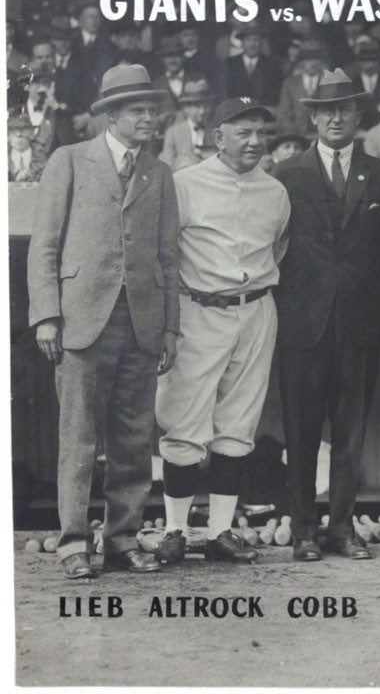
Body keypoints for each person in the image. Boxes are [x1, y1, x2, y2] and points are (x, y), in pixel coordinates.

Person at [27, 64, 179, 578]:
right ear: (110, 115)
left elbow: (168, 257)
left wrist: (169, 328)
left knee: (134, 439)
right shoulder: (70, 161)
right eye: (137, 110)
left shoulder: (158, 173)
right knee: (79, 436)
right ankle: (74, 543)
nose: (149, 118)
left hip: (142, 322)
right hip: (80, 321)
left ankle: (122, 539)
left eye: (152, 110)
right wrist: (47, 315)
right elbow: (44, 246)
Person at [273, 68, 380, 561]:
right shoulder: (287, 175)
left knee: (351, 431)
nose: (335, 119)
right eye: (326, 111)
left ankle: (343, 528)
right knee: (302, 430)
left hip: (359, 323)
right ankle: (304, 529)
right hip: (303, 324)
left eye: (344, 109)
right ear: (312, 118)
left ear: (357, 115)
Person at [153, 97, 290, 566]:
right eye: (243, 132)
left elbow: (279, 247)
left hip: (256, 309)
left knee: (238, 423)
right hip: (198, 309)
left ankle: (220, 532)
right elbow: (165, 254)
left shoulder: (275, 191)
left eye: (261, 133)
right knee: (184, 422)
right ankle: (174, 529)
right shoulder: (185, 184)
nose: (255, 142)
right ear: (218, 137)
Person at [159, 79, 217, 173]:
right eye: (197, 107)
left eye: (206, 106)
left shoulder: (217, 131)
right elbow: (167, 165)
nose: (202, 111)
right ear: (186, 108)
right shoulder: (173, 133)